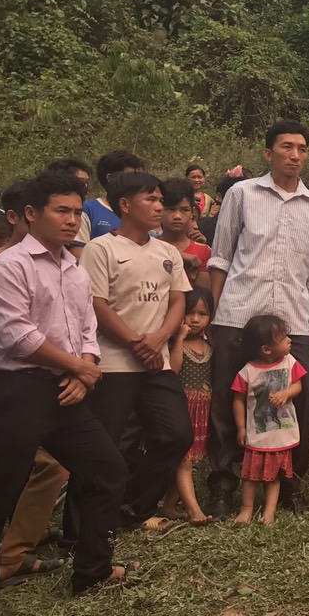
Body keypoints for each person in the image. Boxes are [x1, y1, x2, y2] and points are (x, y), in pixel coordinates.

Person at [0, 171, 130, 594]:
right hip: (18, 390)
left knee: (107, 468)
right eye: (62, 210)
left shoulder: (74, 268)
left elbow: (87, 326)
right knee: (3, 489)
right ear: (31, 214)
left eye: (76, 211)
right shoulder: (9, 265)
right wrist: (79, 366)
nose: (72, 219)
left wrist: (85, 365)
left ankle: (92, 570)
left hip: (66, 390)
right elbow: (16, 335)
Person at [206, 119, 309, 519]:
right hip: (239, 313)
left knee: (303, 398)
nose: (295, 155)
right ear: (268, 153)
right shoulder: (242, 193)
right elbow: (221, 256)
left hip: (293, 320)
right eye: (286, 147)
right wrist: (218, 312)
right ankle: (224, 484)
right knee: (229, 398)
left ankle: (289, 482)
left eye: (302, 148)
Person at [81, 172, 193, 529]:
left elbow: (178, 299)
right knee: (105, 445)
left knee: (176, 434)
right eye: (152, 200)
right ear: (125, 205)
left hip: (156, 363)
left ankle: (131, 506)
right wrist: (134, 341)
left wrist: (159, 338)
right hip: (113, 364)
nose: (160, 206)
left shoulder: (166, 252)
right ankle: (80, 527)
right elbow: (96, 303)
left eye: (161, 200)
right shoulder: (101, 249)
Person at [230, 314, 305, 525]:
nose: (289, 340)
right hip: (258, 432)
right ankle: (246, 510)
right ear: (266, 349)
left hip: (280, 432)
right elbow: (238, 400)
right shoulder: (248, 372)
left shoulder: (290, 362)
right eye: (283, 338)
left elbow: (298, 385)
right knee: (250, 476)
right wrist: (241, 428)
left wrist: (287, 393)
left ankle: (269, 512)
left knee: (274, 477)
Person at [161, 287, 214, 525]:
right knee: (183, 460)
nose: (195, 319)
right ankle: (195, 511)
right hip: (181, 409)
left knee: (188, 461)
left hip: (201, 412)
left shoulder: (210, 344)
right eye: (190, 313)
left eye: (202, 314)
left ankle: (170, 506)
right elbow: (173, 370)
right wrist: (179, 338)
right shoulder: (176, 345)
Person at [76, 149, 146, 247]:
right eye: (130, 177)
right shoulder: (88, 210)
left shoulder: (146, 212)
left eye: (141, 177)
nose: (137, 183)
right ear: (110, 178)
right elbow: (79, 253)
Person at [158, 177, 211, 287]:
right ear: (159, 210)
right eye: (170, 209)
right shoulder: (146, 245)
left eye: (184, 210)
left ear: (192, 212)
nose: (177, 216)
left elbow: (201, 295)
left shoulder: (203, 251)